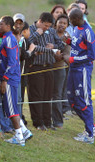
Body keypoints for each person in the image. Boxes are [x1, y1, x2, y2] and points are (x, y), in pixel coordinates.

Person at [0, 16, 32, 146]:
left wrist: (5, 80)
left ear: (8, 26)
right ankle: (24, 132)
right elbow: (5, 59)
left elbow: (12, 63)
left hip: (10, 79)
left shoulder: (10, 40)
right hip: (9, 78)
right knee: (9, 108)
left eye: (1, 24)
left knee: (11, 110)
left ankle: (19, 137)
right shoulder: (7, 38)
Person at [28, 12, 64, 130]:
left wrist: (53, 46)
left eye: (49, 26)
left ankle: (47, 122)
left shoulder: (52, 31)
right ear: (40, 21)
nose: (47, 28)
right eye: (45, 26)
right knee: (36, 95)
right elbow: (29, 44)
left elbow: (61, 45)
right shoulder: (31, 29)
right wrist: (38, 33)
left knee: (48, 95)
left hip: (49, 66)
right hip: (36, 67)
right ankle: (38, 123)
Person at [66, 9, 95, 144]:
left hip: (82, 69)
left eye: (71, 19)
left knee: (84, 99)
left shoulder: (88, 31)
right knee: (71, 99)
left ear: (78, 18)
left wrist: (73, 59)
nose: (69, 22)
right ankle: (90, 127)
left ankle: (90, 134)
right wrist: (68, 42)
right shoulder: (76, 28)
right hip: (73, 68)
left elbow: (91, 56)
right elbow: (77, 44)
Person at [52, 14, 71, 129]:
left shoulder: (68, 38)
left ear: (67, 25)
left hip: (60, 69)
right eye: (60, 22)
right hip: (47, 67)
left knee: (57, 95)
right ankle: (46, 119)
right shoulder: (50, 33)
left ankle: (58, 121)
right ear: (56, 23)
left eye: (65, 23)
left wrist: (61, 55)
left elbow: (66, 54)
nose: (62, 25)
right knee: (47, 94)